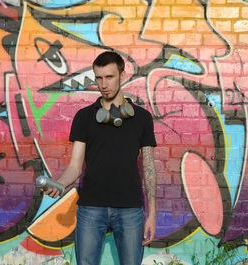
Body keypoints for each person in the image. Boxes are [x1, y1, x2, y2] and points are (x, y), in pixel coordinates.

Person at [44, 51, 157, 265]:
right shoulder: (84, 117)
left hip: (130, 209)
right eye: (99, 78)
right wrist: (59, 183)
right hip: (90, 209)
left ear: (122, 76)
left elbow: (149, 168)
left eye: (109, 77)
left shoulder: (142, 118)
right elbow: (75, 167)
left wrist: (151, 214)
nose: (103, 84)